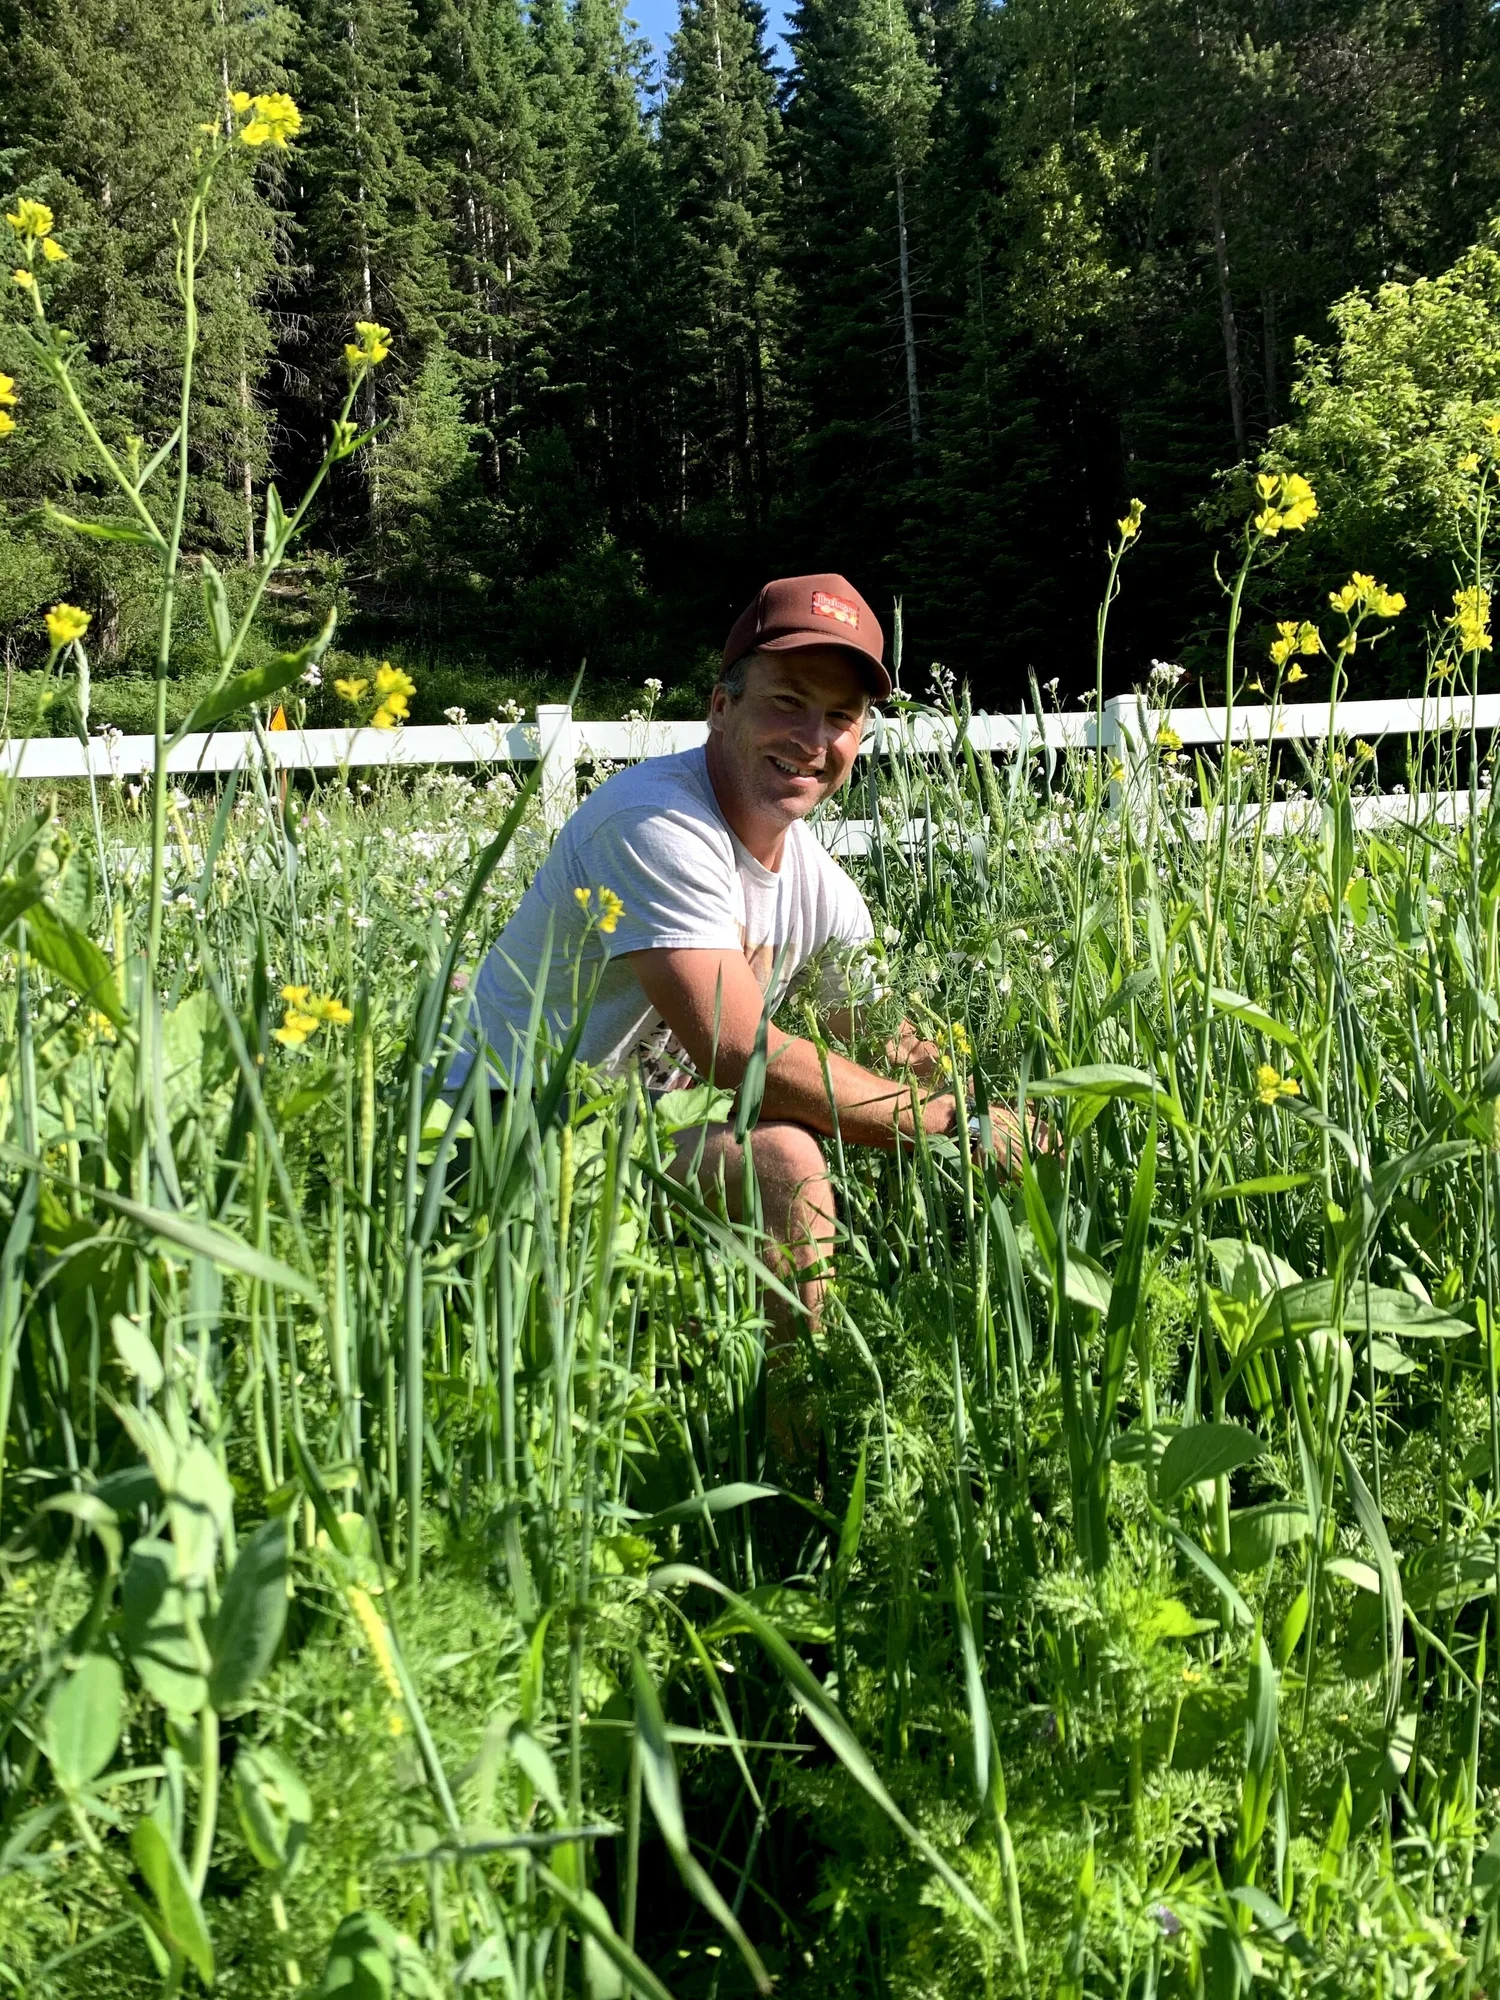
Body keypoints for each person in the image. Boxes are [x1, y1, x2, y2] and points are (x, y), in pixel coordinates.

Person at [450, 572, 1032, 1428]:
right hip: (507, 1131)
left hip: (639, 1133)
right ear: (720, 707)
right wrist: (945, 1124)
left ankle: (738, 1416)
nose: (812, 739)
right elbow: (735, 1047)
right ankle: (799, 1450)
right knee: (787, 1164)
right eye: (788, 702)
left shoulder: (823, 890)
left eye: (840, 718)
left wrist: (991, 1106)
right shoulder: (654, 822)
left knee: (822, 1148)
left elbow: (879, 1040)